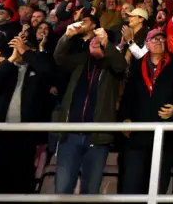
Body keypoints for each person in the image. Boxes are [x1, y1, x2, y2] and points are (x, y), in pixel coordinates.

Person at [53, 19, 127, 194]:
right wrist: (66, 37)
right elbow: (59, 57)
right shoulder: (80, 61)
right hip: (70, 134)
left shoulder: (112, 67)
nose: (94, 40)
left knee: (91, 190)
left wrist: (107, 45)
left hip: (97, 137)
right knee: (62, 189)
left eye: (99, 39)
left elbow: (121, 65)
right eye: (93, 38)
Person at [119, 29, 173, 194]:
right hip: (138, 133)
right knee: (133, 183)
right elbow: (128, 94)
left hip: (166, 134)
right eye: (154, 39)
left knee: (158, 185)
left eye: (162, 39)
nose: (158, 42)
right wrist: (125, 117)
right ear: (147, 44)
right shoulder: (137, 65)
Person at [0, 36, 53, 195]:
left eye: (24, 47)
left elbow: (48, 73)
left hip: (25, 134)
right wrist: (12, 59)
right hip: (1, 132)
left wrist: (26, 53)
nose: (20, 50)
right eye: (18, 46)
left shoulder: (37, 70)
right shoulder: (6, 68)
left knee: (21, 176)